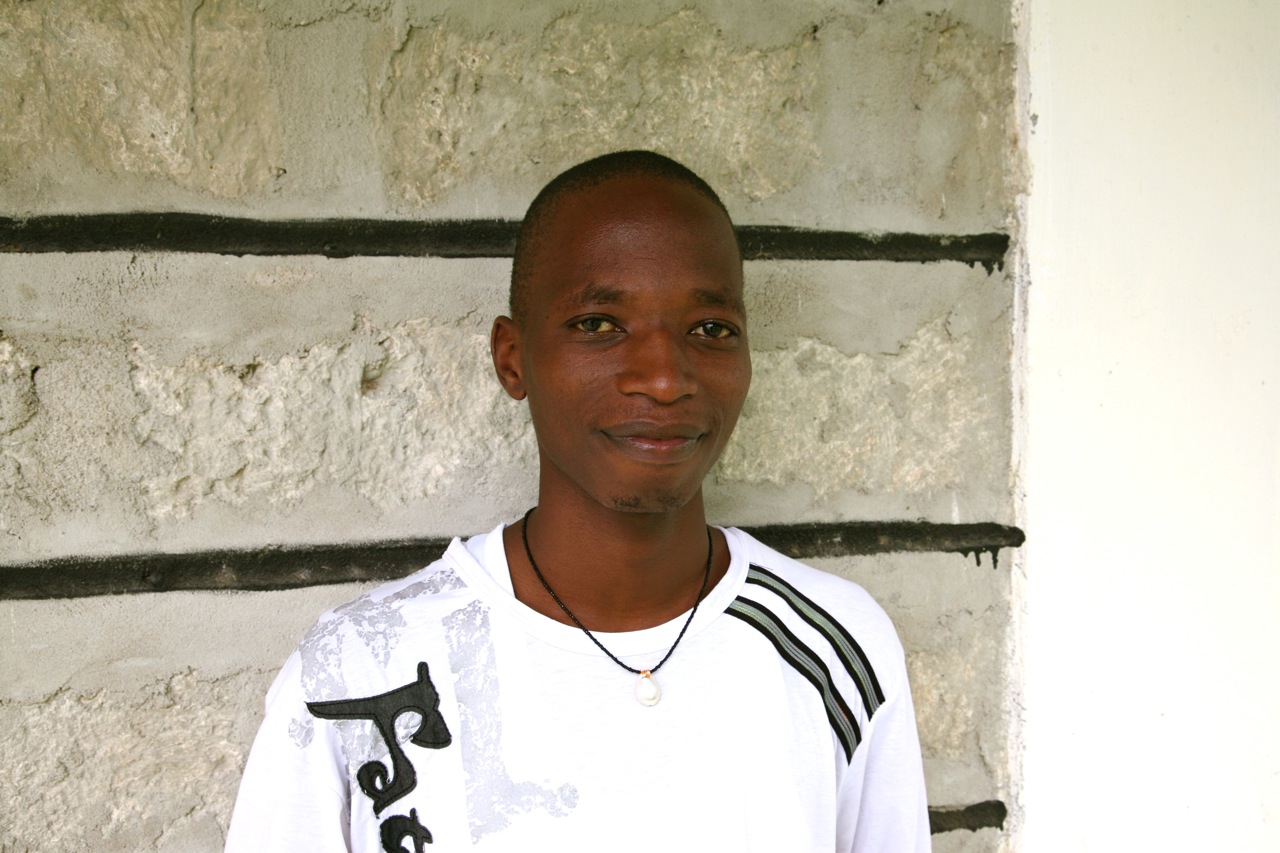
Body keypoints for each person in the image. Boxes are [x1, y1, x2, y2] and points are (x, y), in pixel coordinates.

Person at [225, 150, 930, 852]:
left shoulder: (838, 649)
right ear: (513, 359)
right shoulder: (356, 672)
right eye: (598, 324)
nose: (663, 378)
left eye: (710, 329)